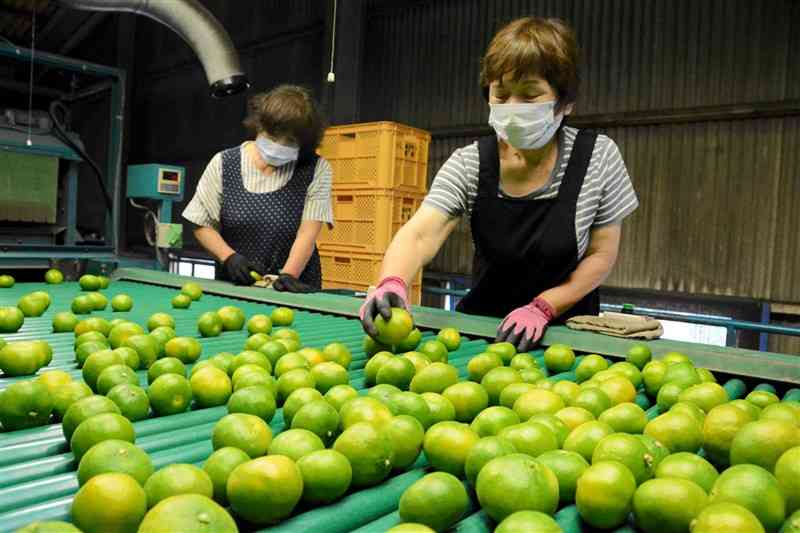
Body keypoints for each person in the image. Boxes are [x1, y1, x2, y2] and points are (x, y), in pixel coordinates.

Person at [361, 17, 639, 351]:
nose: (512, 109)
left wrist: (544, 306)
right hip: (485, 333)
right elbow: (420, 234)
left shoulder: (598, 158)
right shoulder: (470, 163)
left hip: (565, 336)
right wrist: (392, 281)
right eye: (502, 94)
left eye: (530, 96)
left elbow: (601, 255)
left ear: (565, 103)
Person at [182, 85, 333, 292]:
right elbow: (200, 222)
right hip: (235, 286)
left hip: (293, 288)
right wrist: (229, 258)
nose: (278, 145)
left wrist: (289, 275)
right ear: (259, 126)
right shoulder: (225, 163)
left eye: (289, 141)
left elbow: (307, 234)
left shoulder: (315, 169)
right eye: (272, 136)